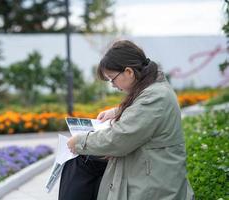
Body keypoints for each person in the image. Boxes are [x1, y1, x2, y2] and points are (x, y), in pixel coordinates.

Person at [66, 40, 195, 200]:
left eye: (112, 78)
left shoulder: (155, 96)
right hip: (151, 178)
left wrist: (80, 142)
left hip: (154, 188)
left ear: (129, 72)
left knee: (79, 166)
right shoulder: (153, 89)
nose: (112, 85)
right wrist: (117, 111)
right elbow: (141, 112)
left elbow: (119, 139)